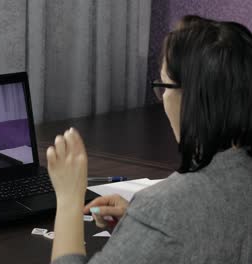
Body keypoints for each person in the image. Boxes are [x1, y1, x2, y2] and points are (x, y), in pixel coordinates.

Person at [46, 17, 252, 264]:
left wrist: (69, 199)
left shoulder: (163, 209)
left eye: (163, 86)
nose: (163, 98)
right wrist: (142, 231)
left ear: (191, 99)